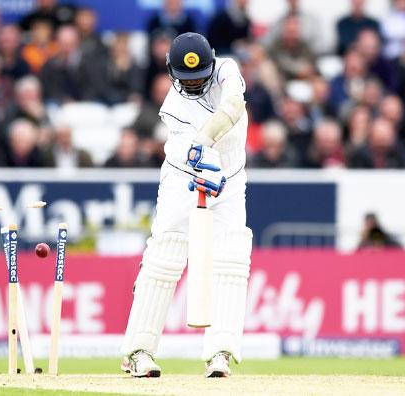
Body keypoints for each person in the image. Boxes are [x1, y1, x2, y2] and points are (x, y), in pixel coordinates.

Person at [121, 32, 252, 379]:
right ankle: (139, 351)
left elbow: (233, 106)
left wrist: (205, 143)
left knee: (232, 257)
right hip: (184, 180)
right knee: (166, 254)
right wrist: (201, 167)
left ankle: (220, 352)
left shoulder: (226, 69)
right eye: (186, 80)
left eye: (199, 78)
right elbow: (188, 159)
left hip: (231, 177)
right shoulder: (173, 109)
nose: (193, 86)